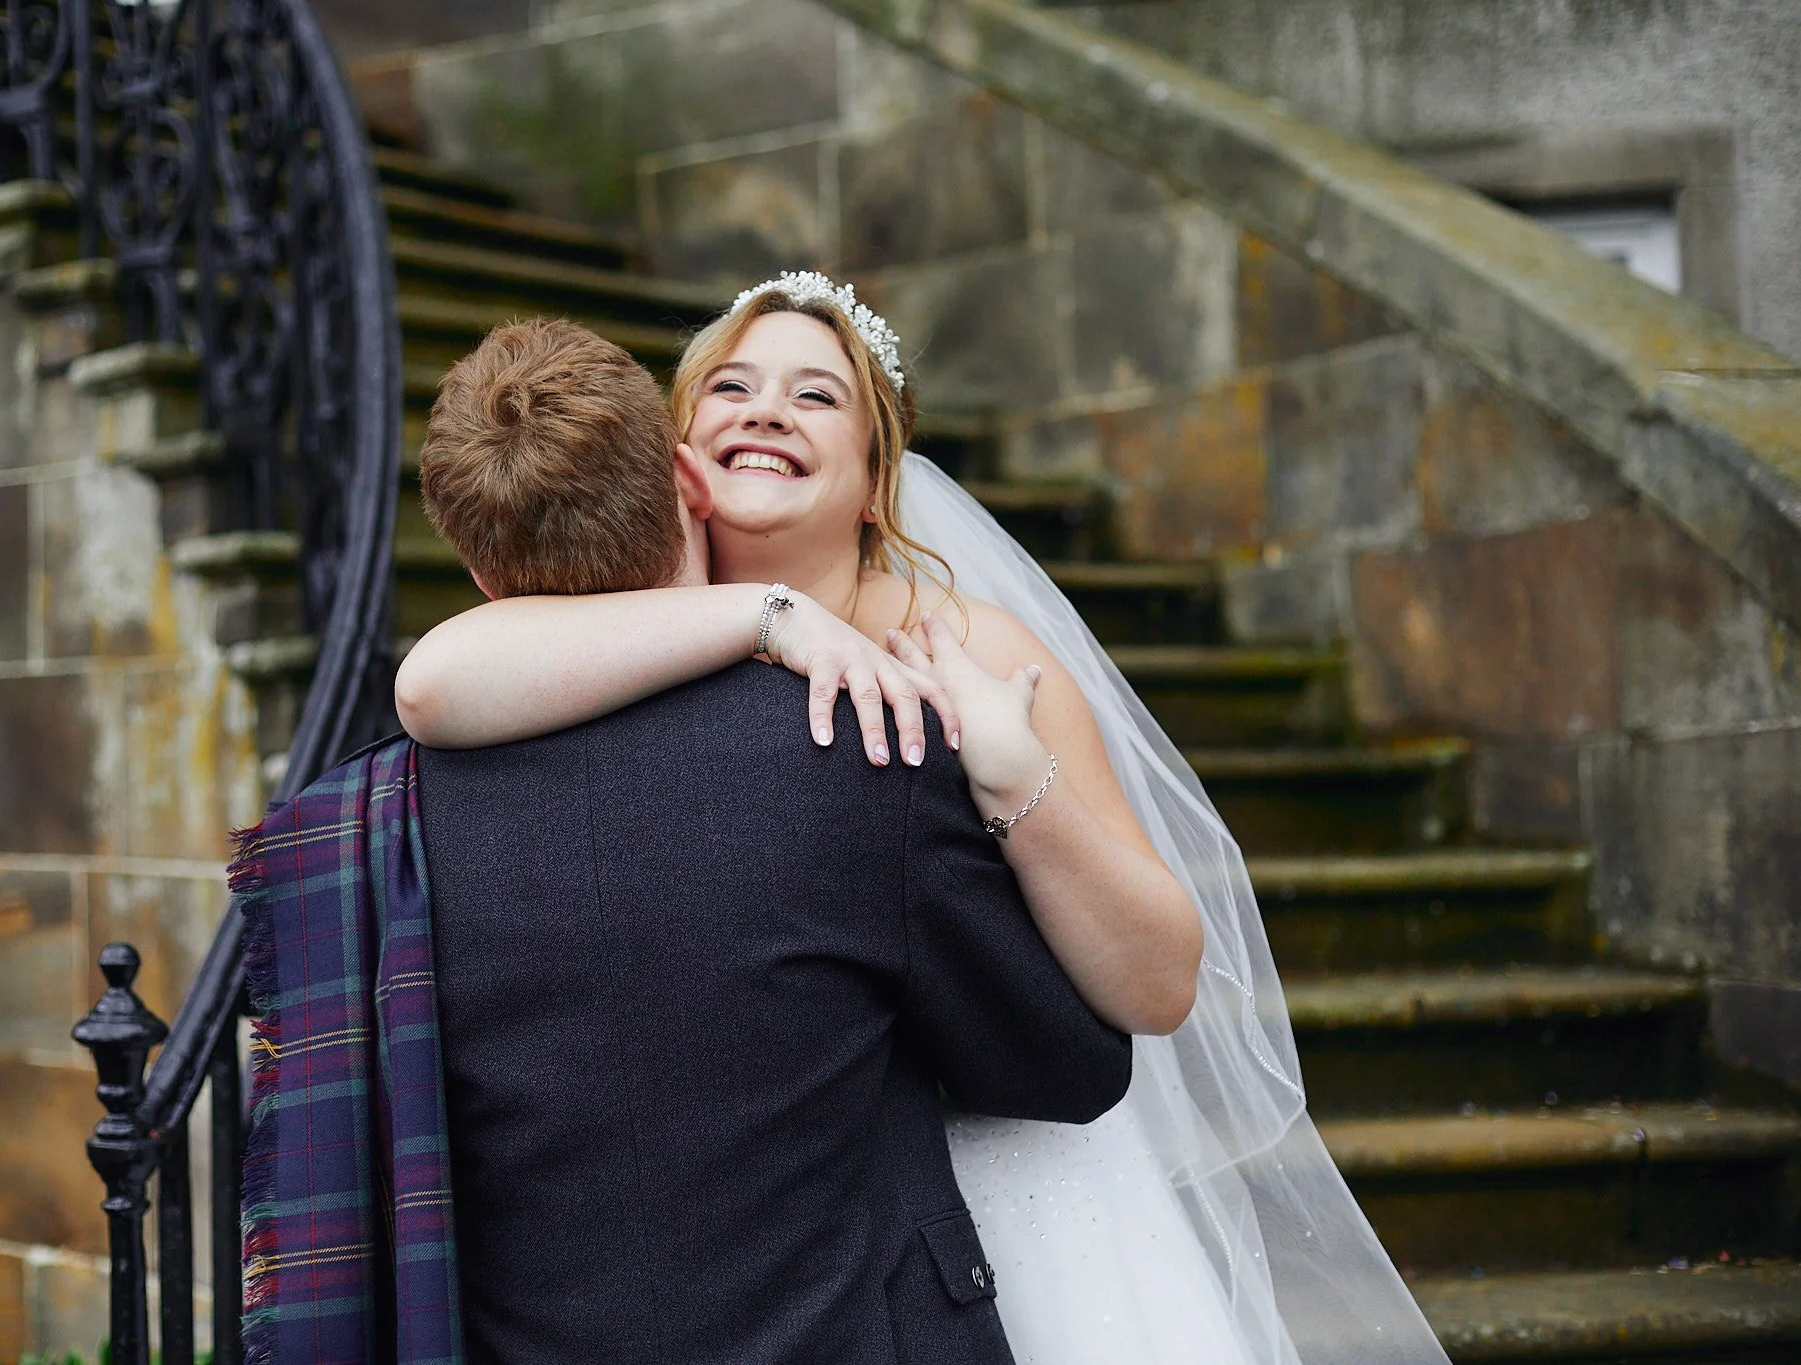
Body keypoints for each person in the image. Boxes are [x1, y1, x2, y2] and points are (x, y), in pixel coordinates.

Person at [396, 278, 1454, 1364]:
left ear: (873, 483)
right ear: (678, 460)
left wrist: (1010, 784)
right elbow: (431, 680)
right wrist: (765, 618)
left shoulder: (968, 651)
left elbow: (1158, 982)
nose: (766, 411)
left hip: (973, 1201)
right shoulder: (602, 640)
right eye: (730, 385)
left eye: (816, 394)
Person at [239, 315, 1138, 1365]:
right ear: (688, 476)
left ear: (481, 575)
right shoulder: (864, 749)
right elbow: (1066, 1066)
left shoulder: (381, 823)